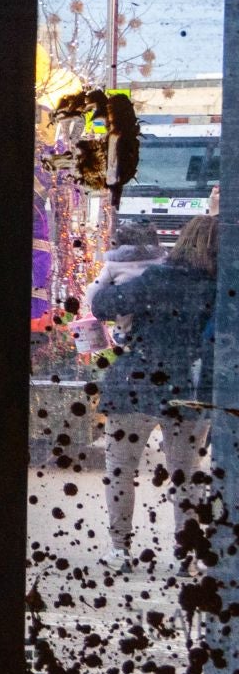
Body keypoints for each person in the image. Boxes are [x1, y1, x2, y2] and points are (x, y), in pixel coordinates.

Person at [90, 214, 217, 574]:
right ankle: (187, 555)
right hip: (191, 388)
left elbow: (102, 305)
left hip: (137, 383)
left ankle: (119, 549)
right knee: (186, 474)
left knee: (121, 469)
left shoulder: (158, 278)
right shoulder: (220, 287)